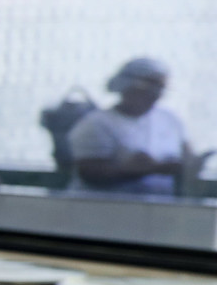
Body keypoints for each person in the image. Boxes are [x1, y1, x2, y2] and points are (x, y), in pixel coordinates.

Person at [69, 57, 203, 195]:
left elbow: (187, 154)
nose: (154, 95)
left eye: (160, 89)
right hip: (105, 206)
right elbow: (88, 171)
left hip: (158, 206)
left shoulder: (169, 120)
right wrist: (133, 169)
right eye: (149, 87)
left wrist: (188, 165)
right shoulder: (97, 124)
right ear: (126, 85)